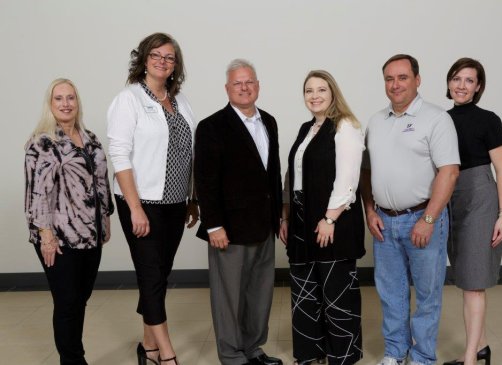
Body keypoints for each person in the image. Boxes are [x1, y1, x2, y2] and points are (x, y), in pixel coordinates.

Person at [360, 54, 460, 365]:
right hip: (384, 222)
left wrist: (429, 219)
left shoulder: (437, 119)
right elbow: (365, 172)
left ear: (417, 80)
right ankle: (394, 352)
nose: (395, 84)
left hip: (423, 218)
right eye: (389, 78)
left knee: (428, 296)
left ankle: (422, 357)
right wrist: (369, 210)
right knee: (391, 294)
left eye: (402, 77)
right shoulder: (376, 121)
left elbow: (449, 171)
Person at [107, 32, 198, 365]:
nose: (163, 61)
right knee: (150, 274)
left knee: (159, 275)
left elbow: (188, 151)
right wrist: (134, 209)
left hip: (175, 203)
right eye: (156, 55)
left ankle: (147, 347)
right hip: (140, 202)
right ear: (144, 60)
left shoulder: (181, 100)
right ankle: (168, 354)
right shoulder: (128, 99)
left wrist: (192, 198)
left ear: (176, 65)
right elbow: (119, 155)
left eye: (170, 57)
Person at [194, 59, 283, 365]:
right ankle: (232, 356)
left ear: (257, 86)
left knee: (259, 296)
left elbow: (273, 174)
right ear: (227, 88)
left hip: (264, 225)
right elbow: (205, 181)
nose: (244, 88)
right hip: (229, 230)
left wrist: (279, 217)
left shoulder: (269, 121)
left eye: (249, 82)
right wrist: (213, 225)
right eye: (237, 83)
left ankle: (253, 349)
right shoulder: (211, 127)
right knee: (228, 298)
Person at [24, 78, 114, 365]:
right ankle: (74, 360)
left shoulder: (90, 138)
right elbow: (37, 193)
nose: (66, 104)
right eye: (59, 98)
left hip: (91, 234)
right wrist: (45, 236)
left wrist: (105, 220)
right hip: (59, 238)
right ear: (50, 105)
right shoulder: (42, 143)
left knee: (80, 300)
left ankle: (73, 356)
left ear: (78, 102)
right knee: (66, 303)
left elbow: (101, 182)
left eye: (71, 98)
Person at [279, 70, 365, 365]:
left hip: (334, 218)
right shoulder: (306, 129)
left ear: (332, 94)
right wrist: (286, 216)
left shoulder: (346, 126)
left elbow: (348, 179)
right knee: (305, 293)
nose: (314, 96)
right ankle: (309, 353)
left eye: (321, 90)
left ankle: (342, 355)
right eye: (308, 91)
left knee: (336, 292)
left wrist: (329, 219)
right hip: (302, 219)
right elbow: (293, 177)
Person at [442, 58, 502, 365]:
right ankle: (480, 346)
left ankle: (470, 359)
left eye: (469, 80)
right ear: (448, 83)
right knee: (465, 278)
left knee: (473, 283)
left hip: (481, 197)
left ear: (478, 87)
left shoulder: (489, 120)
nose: (461, 85)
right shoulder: (440, 120)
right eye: (457, 79)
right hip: (450, 197)